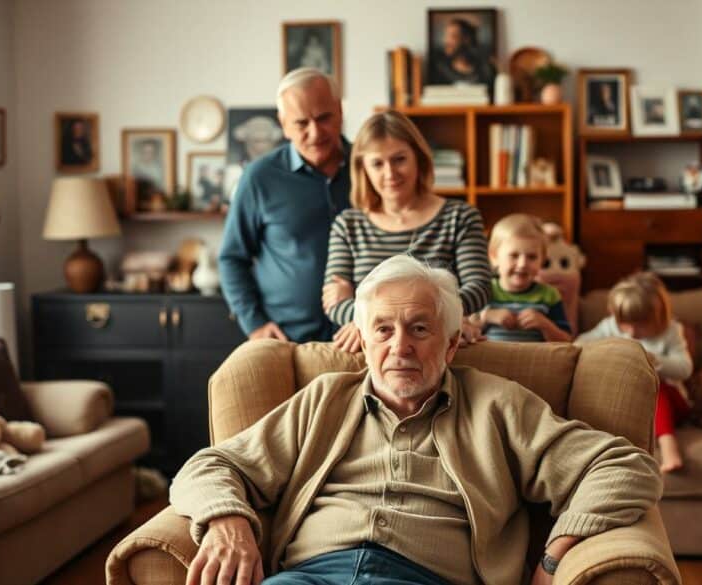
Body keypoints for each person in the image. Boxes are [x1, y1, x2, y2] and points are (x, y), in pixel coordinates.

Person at [172, 254, 663, 585]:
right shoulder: (322, 399)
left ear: (451, 344)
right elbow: (209, 466)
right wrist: (228, 523)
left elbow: (624, 466)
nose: (400, 346)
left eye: (420, 329)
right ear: (362, 342)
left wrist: (557, 551)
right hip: (308, 577)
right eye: (383, 329)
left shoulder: (499, 405)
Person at [322, 110, 491, 353]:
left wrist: (365, 316)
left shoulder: (460, 217)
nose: (390, 173)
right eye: (377, 164)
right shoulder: (348, 225)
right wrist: (435, 315)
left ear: (418, 158)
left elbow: (479, 287)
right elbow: (335, 302)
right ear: (363, 169)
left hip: (439, 349)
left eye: (399, 159)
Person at [219, 68, 351, 343]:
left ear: (339, 110)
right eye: (301, 123)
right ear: (283, 123)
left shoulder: (372, 165)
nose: (315, 133)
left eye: (324, 117)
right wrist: (254, 323)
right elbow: (232, 258)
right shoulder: (258, 177)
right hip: (287, 341)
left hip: (367, 339)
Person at [576, 272, 693, 472]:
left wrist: (653, 360)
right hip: (629, 402)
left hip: (670, 401)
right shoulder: (611, 327)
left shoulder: (671, 331)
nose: (630, 332)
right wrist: (607, 349)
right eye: (624, 323)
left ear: (658, 316)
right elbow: (578, 344)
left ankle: (668, 447)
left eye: (640, 324)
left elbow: (685, 369)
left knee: (654, 387)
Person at [473, 214, 571, 342]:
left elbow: (566, 341)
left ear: (542, 260)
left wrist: (545, 325)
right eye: (514, 255)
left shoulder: (550, 295)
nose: (523, 264)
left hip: (535, 360)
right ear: (494, 257)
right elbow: (463, 334)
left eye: (532, 257)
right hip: (492, 360)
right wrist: (487, 317)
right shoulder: (483, 291)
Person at [428, 17, 495, 87]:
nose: (446, 41)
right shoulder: (439, 69)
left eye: (453, 36)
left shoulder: (485, 69)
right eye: (446, 36)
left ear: (466, 39)